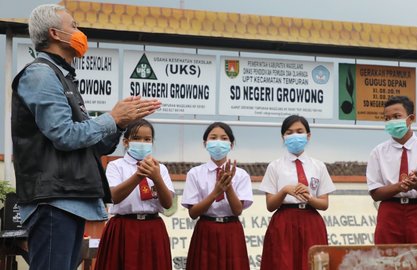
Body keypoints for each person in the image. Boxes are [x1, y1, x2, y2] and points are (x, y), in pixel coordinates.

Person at [11, 4, 160, 270]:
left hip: (70, 200)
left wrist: (120, 123)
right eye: (74, 26)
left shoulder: (63, 77)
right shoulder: (41, 74)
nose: (80, 32)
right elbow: (64, 135)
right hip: (53, 201)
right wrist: (111, 118)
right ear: (56, 34)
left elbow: (94, 144)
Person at [94, 119, 174, 270]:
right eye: (137, 138)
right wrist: (139, 175)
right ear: (126, 142)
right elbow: (113, 196)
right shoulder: (115, 166)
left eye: (147, 139)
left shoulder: (160, 168)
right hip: (123, 228)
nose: (142, 142)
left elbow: (168, 204)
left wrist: (156, 178)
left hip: (153, 228)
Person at [259, 115, 336, 270]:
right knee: (283, 264)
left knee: (311, 265)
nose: (295, 135)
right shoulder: (275, 166)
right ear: (283, 137)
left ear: (308, 135)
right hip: (283, 224)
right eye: (289, 132)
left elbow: (324, 204)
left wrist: (309, 198)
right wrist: (284, 191)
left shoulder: (318, 166)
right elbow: (270, 205)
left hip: (311, 223)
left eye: (299, 131)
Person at [366, 96, 417, 244]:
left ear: (411, 118)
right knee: (387, 260)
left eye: (397, 117)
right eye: (387, 119)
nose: (392, 122)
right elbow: (375, 193)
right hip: (389, 212)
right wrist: (399, 186)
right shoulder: (378, 152)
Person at [181, 122, 253, 270]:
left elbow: (237, 210)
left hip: (231, 231)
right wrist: (216, 192)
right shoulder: (195, 173)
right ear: (205, 143)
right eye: (213, 138)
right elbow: (193, 213)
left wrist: (228, 186)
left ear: (231, 145)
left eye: (224, 138)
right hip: (205, 230)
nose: (218, 142)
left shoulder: (241, 174)